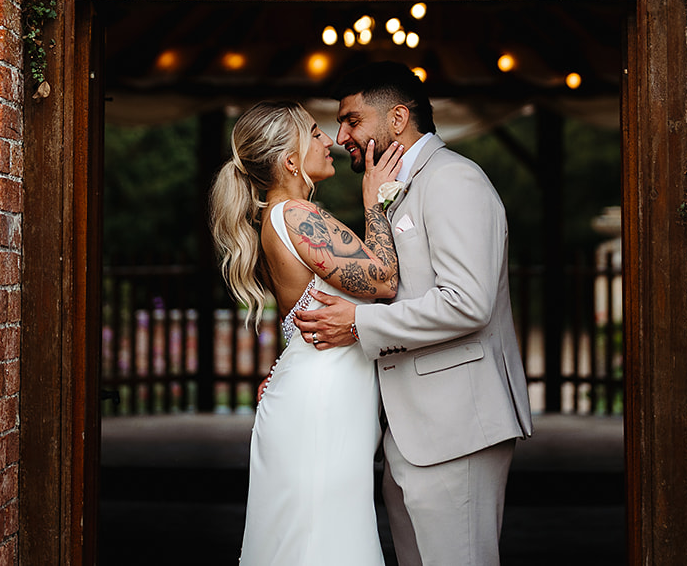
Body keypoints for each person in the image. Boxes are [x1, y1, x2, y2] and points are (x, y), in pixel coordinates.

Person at [295, 62, 533, 566]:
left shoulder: (453, 179)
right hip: (410, 430)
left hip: (457, 428)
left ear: (398, 118)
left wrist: (358, 325)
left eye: (352, 121)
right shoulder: (397, 188)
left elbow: (466, 302)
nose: (341, 137)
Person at [209, 100, 405, 566]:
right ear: (291, 159)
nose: (330, 141)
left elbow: (303, 316)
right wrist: (374, 202)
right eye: (316, 132)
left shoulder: (278, 217)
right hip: (322, 403)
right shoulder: (296, 214)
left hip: (316, 392)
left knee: (315, 535)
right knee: (325, 538)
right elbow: (383, 280)